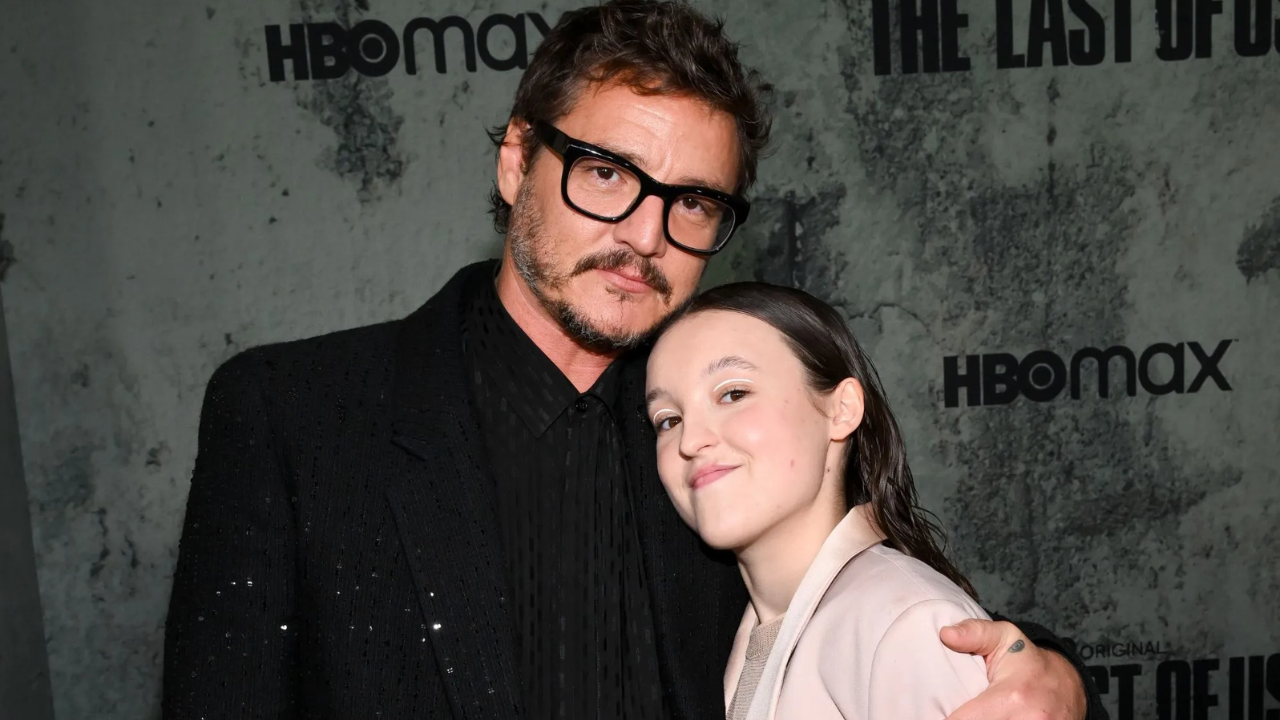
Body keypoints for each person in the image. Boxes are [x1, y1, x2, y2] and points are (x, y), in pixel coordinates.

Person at [162, 2, 1105, 719]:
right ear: (515, 163)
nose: (644, 235)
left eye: (692, 203)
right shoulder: (295, 415)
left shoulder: (721, 432)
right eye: (606, 173)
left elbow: (889, 615)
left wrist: (1054, 675)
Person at [645, 282, 994, 719]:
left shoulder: (908, 626)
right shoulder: (742, 634)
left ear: (841, 409)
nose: (691, 440)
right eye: (668, 419)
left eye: (733, 393)